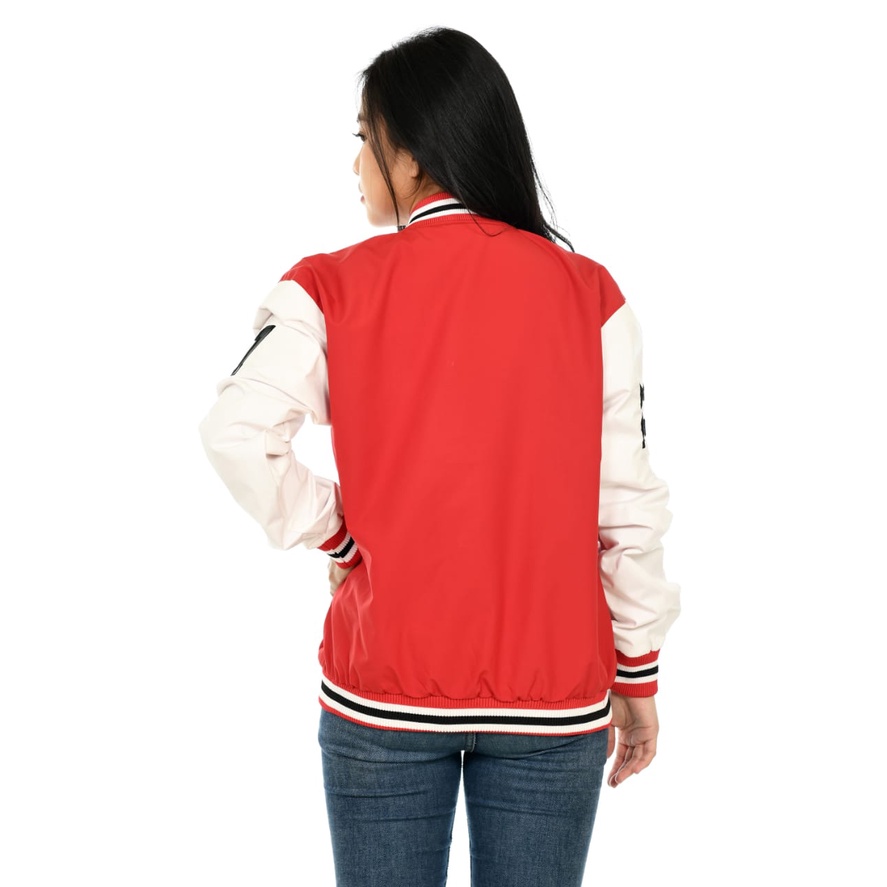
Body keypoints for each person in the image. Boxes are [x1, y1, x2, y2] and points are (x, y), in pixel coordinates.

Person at [199, 26, 680, 887]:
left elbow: (236, 431)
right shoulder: (591, 298)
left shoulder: (329, 287)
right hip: (553, 698)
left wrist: (339, 534)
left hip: (383, 688)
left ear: (413, 154)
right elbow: (627, 506)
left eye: (364, 137)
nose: (354, 164)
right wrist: (636, 671)